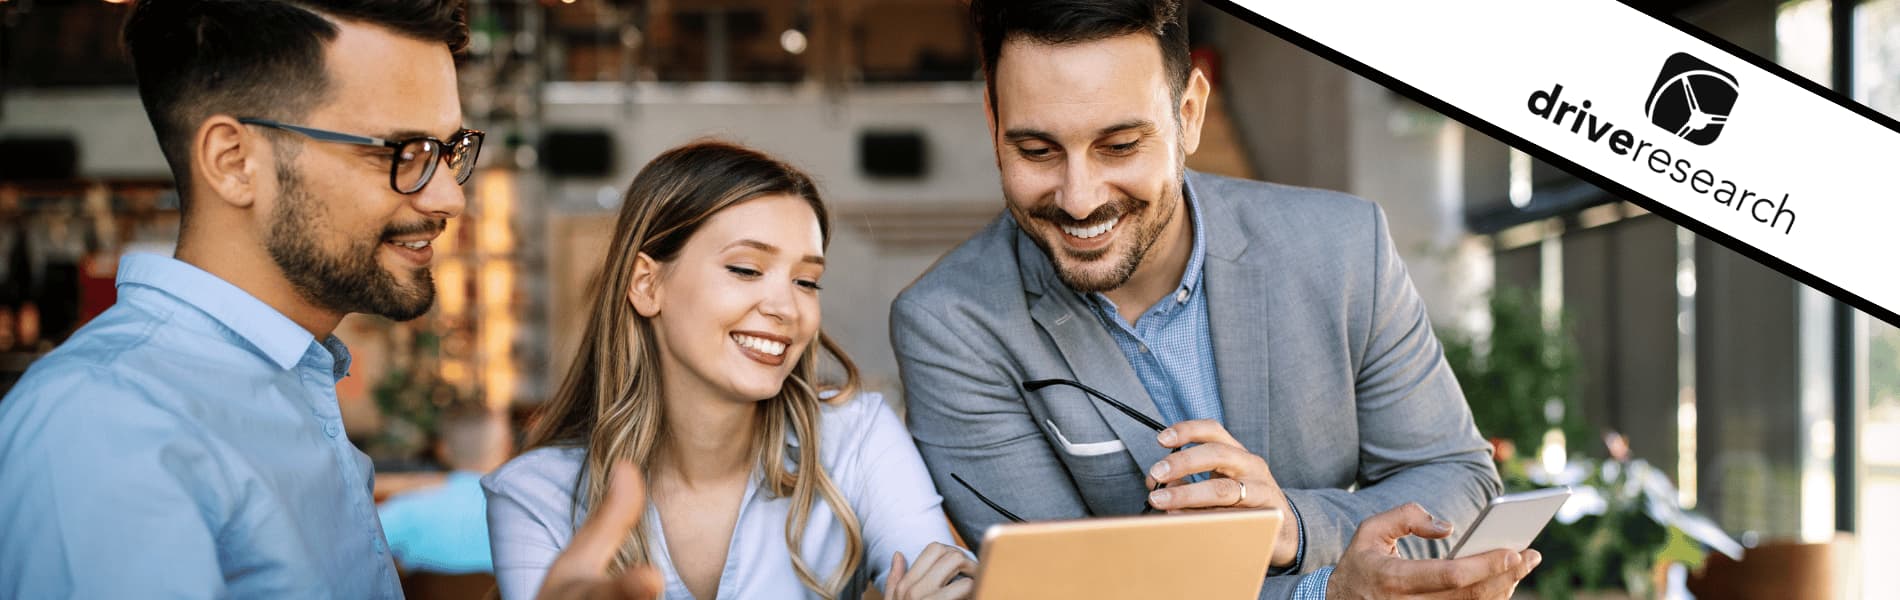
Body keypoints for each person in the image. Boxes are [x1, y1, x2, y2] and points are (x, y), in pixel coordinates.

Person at [0, 1, 656, 597]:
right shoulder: (104, 426)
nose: (448, 196)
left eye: (449, 151)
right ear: (233, 161)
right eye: (403, 152)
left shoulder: (288, 383)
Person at [888, 1, 1540, 599]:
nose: (1079, 197)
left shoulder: (1343, 249)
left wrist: (1295, 525)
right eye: (1036, 150)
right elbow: (1065, 591)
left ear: (1191, 114)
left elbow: (1458, 481)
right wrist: (1327, 592)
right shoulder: (950, 324)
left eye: (1119, 145)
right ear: (992, 121)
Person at [483, 141, 975, 600]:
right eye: (745, 269)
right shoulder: (533, 497)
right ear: (647, 285)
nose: (786, 307)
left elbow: (947, 582)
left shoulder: (858, 437)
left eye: (807, 281)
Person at [379, 404, 514, 575]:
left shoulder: (405, 509)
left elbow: (353, 552)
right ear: (506, 447)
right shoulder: (525, 513)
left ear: (442, 450)